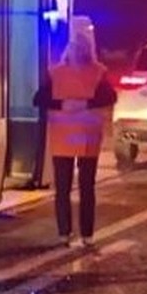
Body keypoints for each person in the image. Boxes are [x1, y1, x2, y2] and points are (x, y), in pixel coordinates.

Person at [33, 30, 117, 247]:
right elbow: (39, 98)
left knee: (74, 188)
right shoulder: (58, 73)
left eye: (80, 47)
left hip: (74, 137)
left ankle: (74, 233)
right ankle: (74, 233)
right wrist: (71, 105)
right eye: (74, 46)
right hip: (76, 137)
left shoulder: (94, 72)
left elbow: (109, 96)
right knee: (73, 188)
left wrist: (72, 105)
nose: (77, 50)